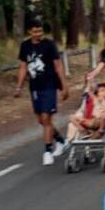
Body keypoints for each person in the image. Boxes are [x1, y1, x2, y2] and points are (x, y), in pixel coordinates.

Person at [15, 17, 70, 164]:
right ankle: (61, 140)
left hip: (49, 85)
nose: (38, 34)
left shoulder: (49, 44)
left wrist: (64, 86)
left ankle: (47, 150)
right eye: (35, 31)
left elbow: (58, 65)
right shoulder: (25, 46)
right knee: (41, 120)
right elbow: (23, 67)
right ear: (29, 32)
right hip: (35, 86)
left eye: (40, 31)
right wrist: (19, 86)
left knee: (46, 118)